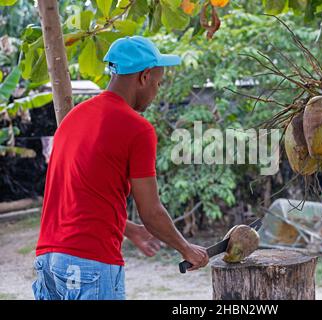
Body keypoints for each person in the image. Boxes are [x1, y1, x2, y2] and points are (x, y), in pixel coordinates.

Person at [32, 36, 209, 300]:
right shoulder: (137, 129)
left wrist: (129, 228)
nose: (156, 92)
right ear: (144, 77)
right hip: (89, 263)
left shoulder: (74, 118)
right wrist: (186, 249)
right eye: (158, 84)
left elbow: (78, 195)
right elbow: (151, 212)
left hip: (48, 260)